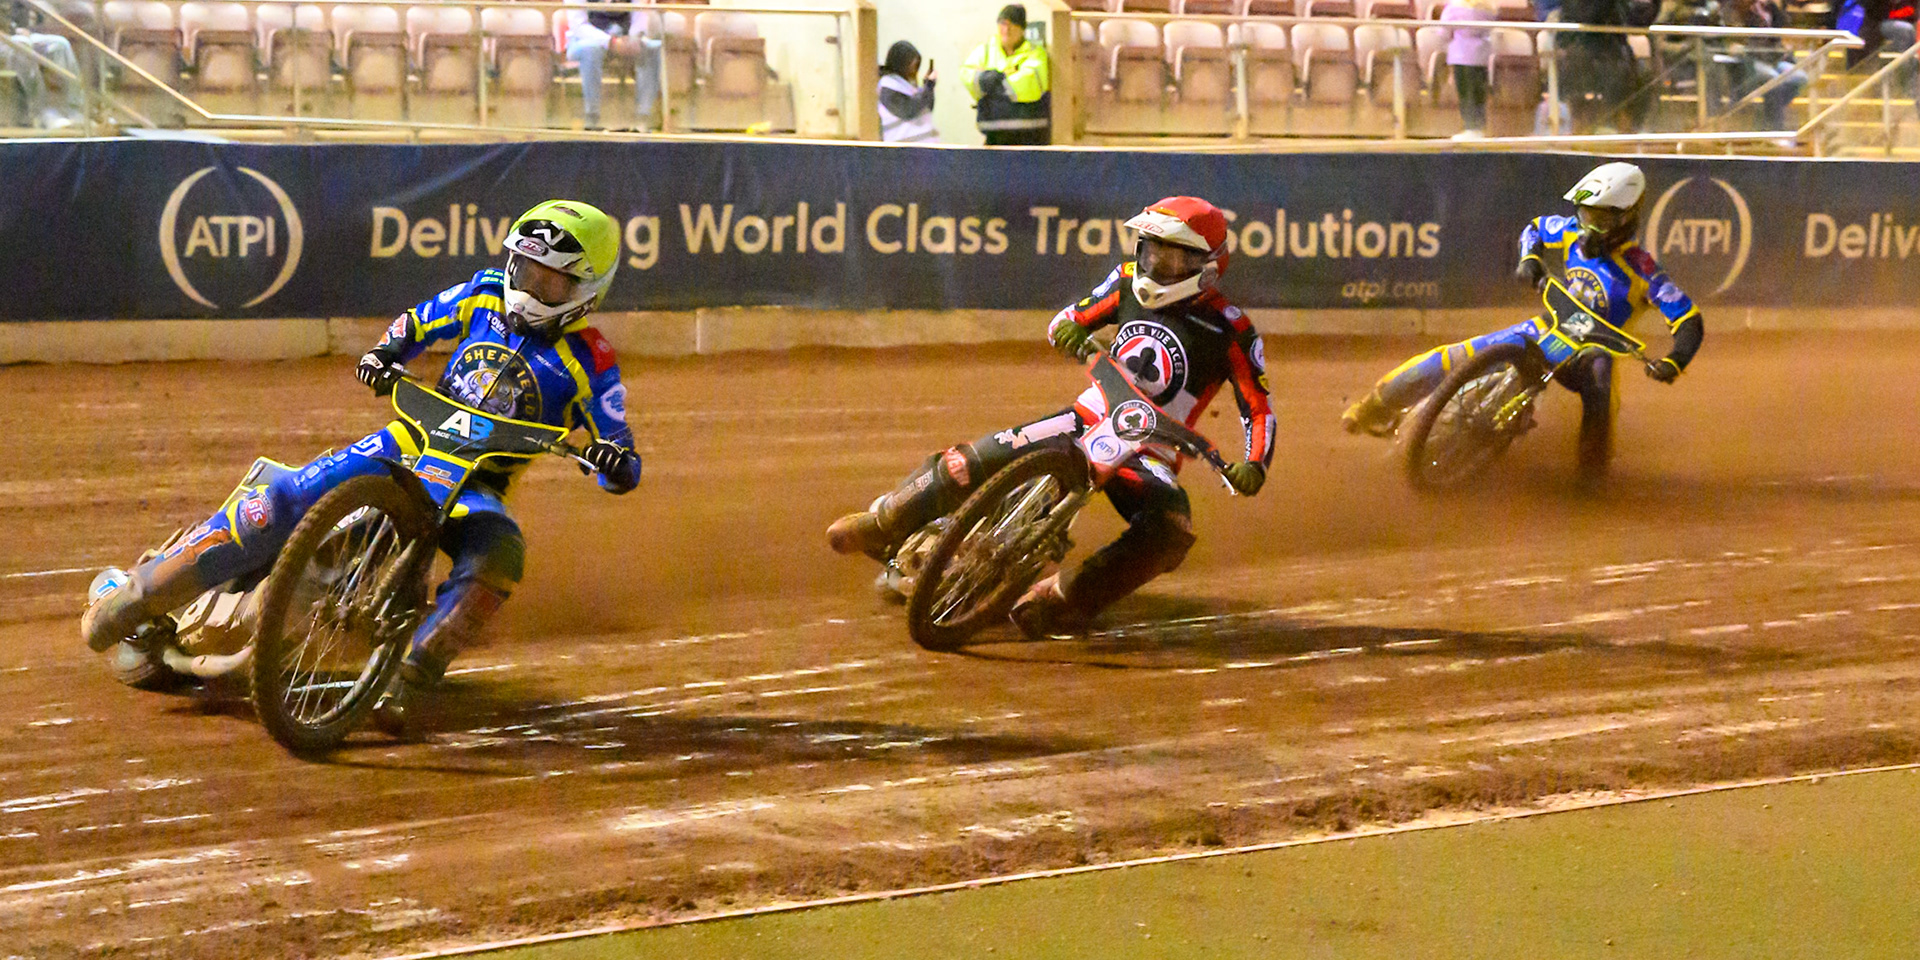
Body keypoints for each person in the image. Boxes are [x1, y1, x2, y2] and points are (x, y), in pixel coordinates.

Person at [82, 200, 642, 724]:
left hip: (477, 487)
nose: (529, 287)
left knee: (499, 556)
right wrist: (383, 354)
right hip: (405, 442)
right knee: (288, 495)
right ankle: (145, 590)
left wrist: (608, 461)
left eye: (549, 280)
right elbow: (418, 323)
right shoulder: (484, 293)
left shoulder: (590, 362)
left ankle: (412, 676)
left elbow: (621, 454)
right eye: (524, 269)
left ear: (587, 289)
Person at [826, 197, 1274, 640]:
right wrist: (1070, 332)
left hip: (1148, 451)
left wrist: (1254, 463)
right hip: (1085, 417)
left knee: (1170, 531)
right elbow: (1070, 317)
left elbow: (1257, 405)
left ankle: (1064, 596)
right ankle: (887, 519)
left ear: (1208, 265)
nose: (1157, 262)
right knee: (973, 459)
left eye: (1174, 256)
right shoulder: (1125, 281)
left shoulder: (1232, 330)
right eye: (1151, 249)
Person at [1340, 163, 1703, 482]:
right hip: (1549, 326)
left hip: (1592, 350)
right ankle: (1375, 405)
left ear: (1623, 219)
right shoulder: (1571, 232)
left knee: (1601, 391)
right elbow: (1535, 228)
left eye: (1599, 218)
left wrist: (1674, 361)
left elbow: (1688, 319)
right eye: (1584, 213)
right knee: (1456, 356)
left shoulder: (1643, 269)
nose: (1587, 224)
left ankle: (1591, 479)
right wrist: (1530, 258)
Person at [1558, 0, 1658, 133]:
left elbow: (1637, 22)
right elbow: (1589, 16)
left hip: (1613, 50)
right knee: (1613, 70)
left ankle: (1628, 135)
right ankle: (1580, 134)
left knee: (1642, 76)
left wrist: (1653, 4)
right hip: (1579, 45)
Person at [564, 0, 663, 131]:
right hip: (585, 40)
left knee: (652, 49)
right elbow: (578, 26)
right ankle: (592, 118)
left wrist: (633, 39)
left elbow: (640, 15)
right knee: (591, 50)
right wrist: (610, 41)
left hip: (624, 38)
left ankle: (643, 119)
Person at [961, 4, 1051, 146]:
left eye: (1012, 25)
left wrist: (993, 82)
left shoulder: (1035, 53)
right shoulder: (985, 50)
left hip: (1030, 139)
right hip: (993, 138)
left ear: (1022, 29)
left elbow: (1030, 84)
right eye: (1003, 24)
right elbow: (967, 75)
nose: (1006, 30)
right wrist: (987, 80)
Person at [1721, 0, 1809, 130]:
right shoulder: (1737, 7)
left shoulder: (1771, 8)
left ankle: (1764, 115)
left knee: (1800, 77)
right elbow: (1738, 41)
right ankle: (1774, 128)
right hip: (1748, 61)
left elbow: (1779, 35)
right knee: (1773, 79)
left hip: (1773, 59)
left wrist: (1777, 8)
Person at [3, 0, 83, 129]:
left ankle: (73, 110)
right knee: (22, 46)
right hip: (7, 39)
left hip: (12, 35)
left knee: (60, 44)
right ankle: (41, 114)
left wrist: (19, 29)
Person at [1442, 0, 1497, 139]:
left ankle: (1470, 128)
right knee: (1479, 92)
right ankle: (1480, 128)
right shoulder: (1488, 8)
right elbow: (1490, 30)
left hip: (1461, 54)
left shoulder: (1454, 8)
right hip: (1482, 55)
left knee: (1465, 92)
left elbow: (1443, 32)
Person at [878, 39, 938, 143]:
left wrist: (928, 87)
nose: (914, 72)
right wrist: (928, 86)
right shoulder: (888, 86)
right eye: (913, 67)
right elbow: (910, 111)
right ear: (901, 65)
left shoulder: (904, 85)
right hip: (902, 151)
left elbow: (926, 108)